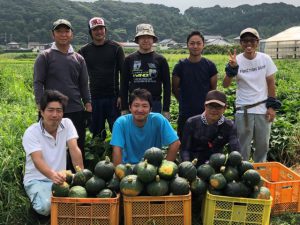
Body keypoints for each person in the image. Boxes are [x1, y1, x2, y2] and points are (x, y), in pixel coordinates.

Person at [33, 19, 92, 168]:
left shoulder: (78, 58)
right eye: (59, 31)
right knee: (49, 146)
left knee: (77, 145)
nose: (63, 34)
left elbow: (84, 84)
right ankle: (52, 178)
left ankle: (77, 180)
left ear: (71, 34)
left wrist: (88, 103)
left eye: (66, 31)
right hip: (51, 111)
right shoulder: (45, 56)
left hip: (75, 109)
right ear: (53, 34)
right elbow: (38, 82)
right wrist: (41, 105)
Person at [223, 28, 281, 162]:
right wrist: (232, 69)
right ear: (241, 43)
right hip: (243, 109)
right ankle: (243, 176)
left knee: (263, 146)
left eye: (252, 40)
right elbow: (225, 84)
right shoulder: (236, 60)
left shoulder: (265, 59)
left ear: (257, 42)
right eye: (245, 41)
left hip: (262, 109)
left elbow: (271, 83)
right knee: (242, 147)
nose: (248, 44)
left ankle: (260, 173)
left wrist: (272, 107)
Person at [23, 90, 84, 217]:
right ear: (42, 112)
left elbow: (74, 149)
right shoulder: (32, 132)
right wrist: (52, 175)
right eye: (50, 110)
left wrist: (80, 175)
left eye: (59, 110)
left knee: (84, 197)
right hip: (38, 179)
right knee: (46, 207)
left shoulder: (67, 124)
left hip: (61, 178)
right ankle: (35, 208)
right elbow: (37, 160)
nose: (55, 114)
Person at [78, 17, 125, 140]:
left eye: (101, 29)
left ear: (105, 30)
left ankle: (118, 157)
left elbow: (124, 73)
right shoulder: (83, 51)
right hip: (94, 98)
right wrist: (85, 99)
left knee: (118, 131)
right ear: (90, 32)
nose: (99, 32)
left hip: (114, 98)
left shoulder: (116, 48)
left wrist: (121, 95)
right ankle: (98, 156)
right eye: (95, 29)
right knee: (97, 134)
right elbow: (78, 77)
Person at [111, 88, 180, 165]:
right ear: (130, 107)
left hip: (152, 167)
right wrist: (119, 171)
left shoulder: (158, 120)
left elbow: (175, 143)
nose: (140, 110)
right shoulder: (121, 123)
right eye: (136, 105)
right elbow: (117, 150)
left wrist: (165, 167)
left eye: (144, 106)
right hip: (128, 167)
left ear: (150, 109)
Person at [172, 31, 218, 140]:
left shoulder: (210, 66)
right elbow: (175, 88)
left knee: (205, 142)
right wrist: (183, 101)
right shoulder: (180, 66)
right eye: (192, 43)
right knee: (185, 141)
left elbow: (213, 90)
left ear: (203, 45)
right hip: (185, 112)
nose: (195, 46)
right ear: (187, 45)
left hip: (205, 112)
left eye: (198, 43)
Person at [120, 23, 171, 119]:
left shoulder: (161, 60)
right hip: (135, 104)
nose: (146, 40)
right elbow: (124, 85)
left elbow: (167, 86)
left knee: (154, 132)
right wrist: (124, 108)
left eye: (149, 37)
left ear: (153, 40)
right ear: (137, 40)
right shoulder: (129, 59)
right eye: (142, 37)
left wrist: (166, 109)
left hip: (155, 103)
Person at [180, 90, 240, 166]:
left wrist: (231, 167)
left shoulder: (229, 125)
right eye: (210, 106)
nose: (214, 110)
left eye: (218, 107)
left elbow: (235, 150)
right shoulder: (191, 122)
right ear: (205, 106)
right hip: (194, 164)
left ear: (225, 108)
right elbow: (185, 149)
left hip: (217, 165)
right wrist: (187, 166)